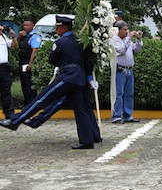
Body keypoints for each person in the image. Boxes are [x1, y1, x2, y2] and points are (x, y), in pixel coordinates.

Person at [0, 15, 97, 149]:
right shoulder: (81, 41)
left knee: (42, 98)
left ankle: (15, 121)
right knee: (80, 109)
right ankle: (88, 140)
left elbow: (52, 60)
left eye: (58, 28)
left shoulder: (61, 42)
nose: (56, 30)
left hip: (68, 76)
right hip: (79, 78)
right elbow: (88, 61)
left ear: (64, 28)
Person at [111, 21, 143, 124]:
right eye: (124, 30)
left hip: (129, 69)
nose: (126, 32)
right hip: (119, 70)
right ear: (118, 30)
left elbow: (136, 49)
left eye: (127, 30)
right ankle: (116, 116)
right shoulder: (114, 40)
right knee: (119, 94)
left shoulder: (127, 40)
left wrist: (139, 40)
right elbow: (121, 50)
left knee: (129, 94)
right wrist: (129, 38)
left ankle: (127, 115)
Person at [17, 19, 43, 105]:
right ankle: (26, 102)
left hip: (28, 61)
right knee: (24, 84)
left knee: (29, 84)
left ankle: (31, 103)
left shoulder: (35, 36)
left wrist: (30, 64)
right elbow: (15, 45)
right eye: (24, 25)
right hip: (22, 61)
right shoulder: (23, 36)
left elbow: (34, 51)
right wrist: (19, 37)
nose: (25, 27)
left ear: (33, 26)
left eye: (27, 25)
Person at [0, 24, 17, 118]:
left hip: (3, 68)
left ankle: (9, 113)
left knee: (6, 90)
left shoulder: (3, 36)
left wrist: (13, 36)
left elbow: (14, 45)